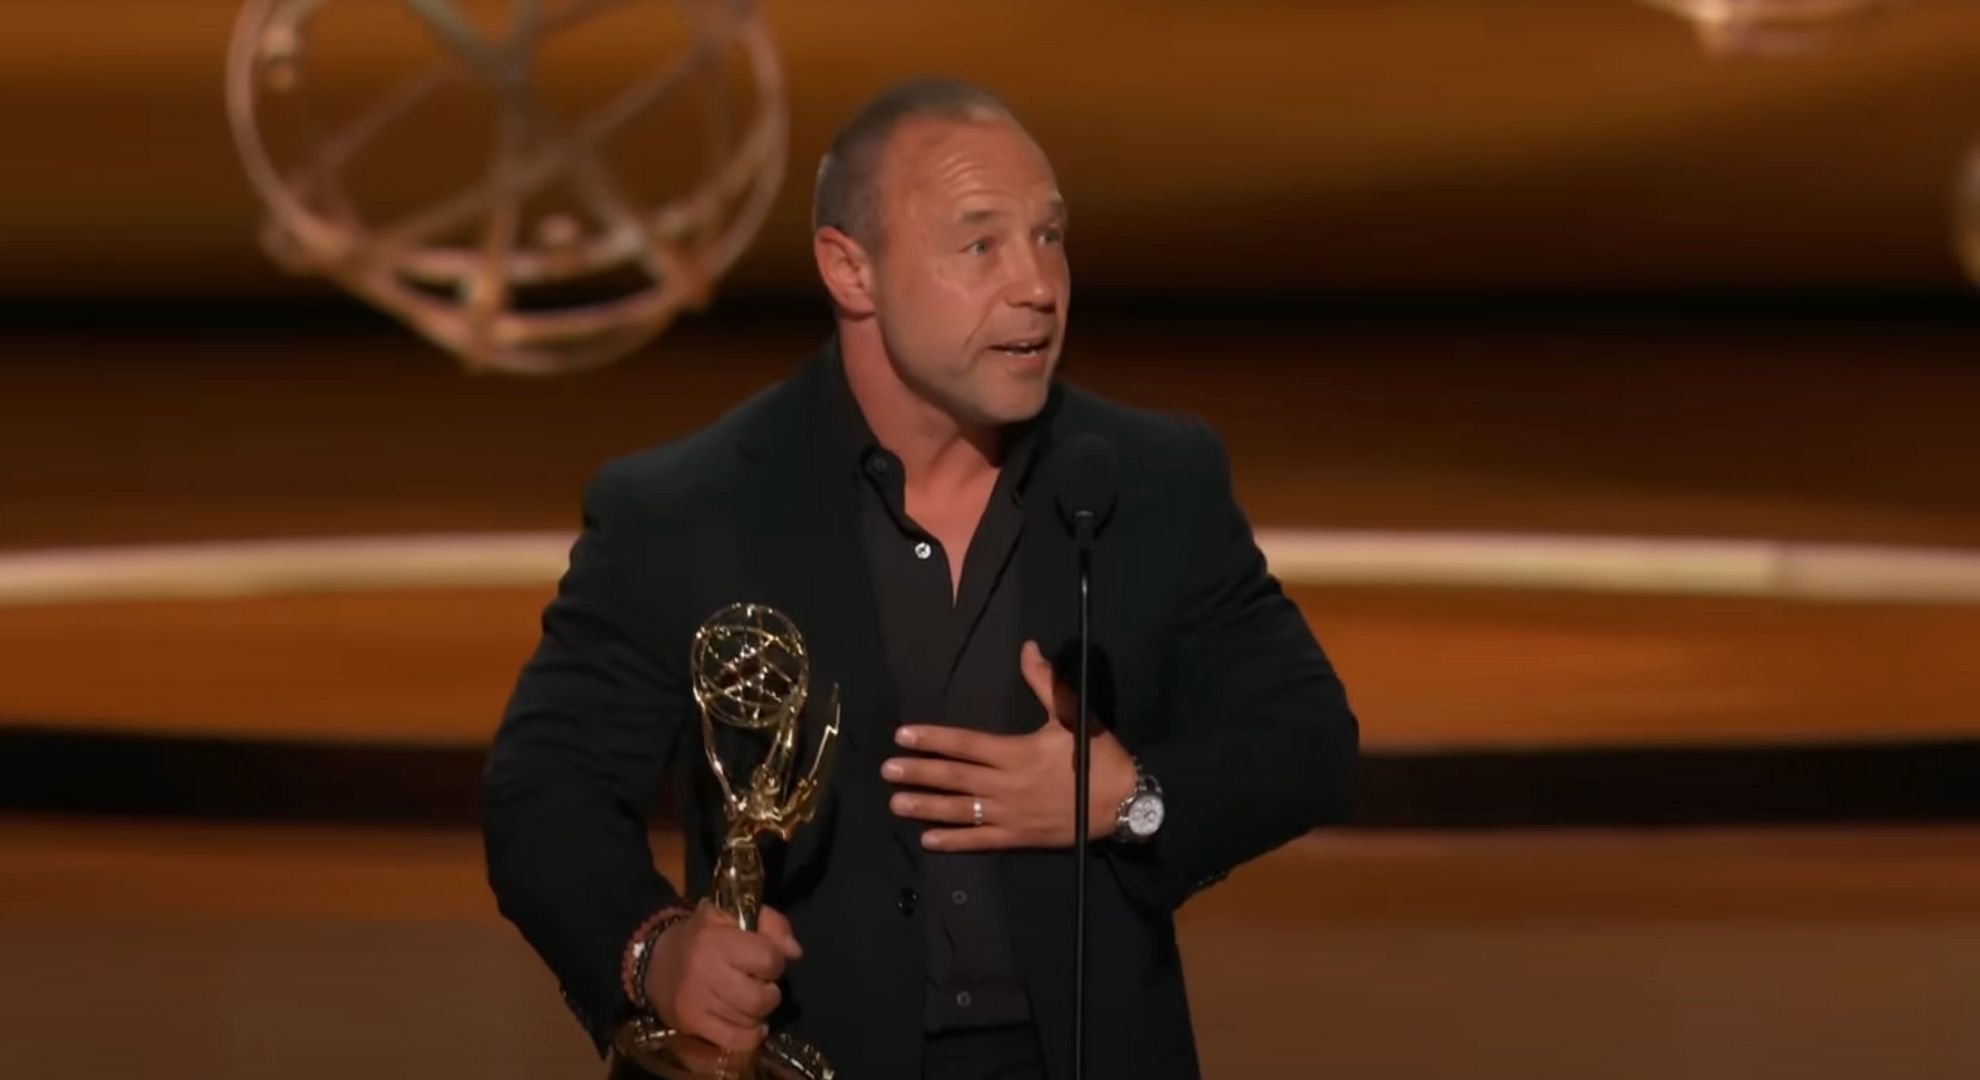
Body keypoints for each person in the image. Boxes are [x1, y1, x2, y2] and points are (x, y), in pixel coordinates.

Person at [483, 78, 1358, 1080]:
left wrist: (1132, 798)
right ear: (849, 270)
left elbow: (1308, 738)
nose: (1037, 286)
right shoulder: (687, 508)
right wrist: (655, 950)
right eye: (981, 244)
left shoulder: (1150, 481)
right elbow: (542, 791)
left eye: (1051, 237)